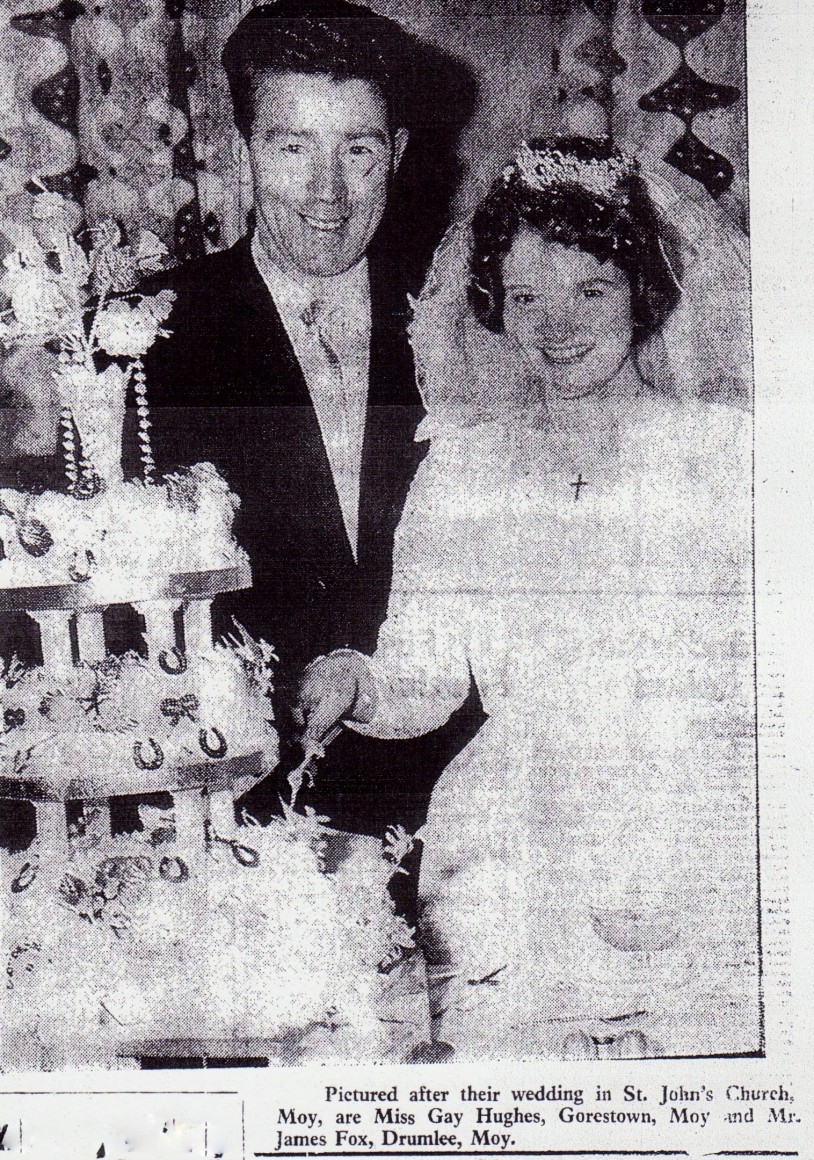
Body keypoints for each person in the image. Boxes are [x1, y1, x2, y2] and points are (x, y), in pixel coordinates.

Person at [297, 137, 758, 1059]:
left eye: (590, 290)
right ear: (494, 306)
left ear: (641, 290)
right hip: (510, 846)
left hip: (696, 825)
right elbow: (426, 675)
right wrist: (357, 680)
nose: (557, 325)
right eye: (526, 297)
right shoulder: (461, 467)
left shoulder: (729, 455)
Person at [116, 0, 484, 837]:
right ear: (241, 150)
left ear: (397, 153)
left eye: (357, 150)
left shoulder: (471, 320)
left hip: (448, 802)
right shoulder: (146, 333)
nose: (328, 192)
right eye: (292, 147)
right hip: (232, 811)